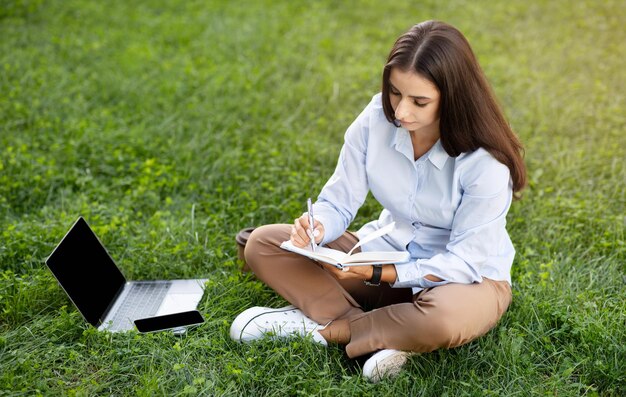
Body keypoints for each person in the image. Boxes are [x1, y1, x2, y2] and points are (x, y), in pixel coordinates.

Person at [229, 20, 526, 383]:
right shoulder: (376, 118)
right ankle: (388, 334)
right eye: (395, 93)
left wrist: (376, 274)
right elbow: (338, 201)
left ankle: (325, 330)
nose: (401, 112)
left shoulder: (485, 163)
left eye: (419, 101)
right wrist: (318, 226)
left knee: (443, 319)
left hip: (464, 281)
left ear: (454, 98)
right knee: (263, 243)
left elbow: (464, 262)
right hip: (386, 251)